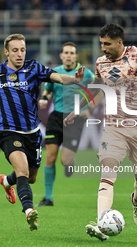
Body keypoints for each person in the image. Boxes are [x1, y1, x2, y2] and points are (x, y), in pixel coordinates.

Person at [0, 34, 85, 231]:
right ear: (6, 52)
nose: (19, 54)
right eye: (15, 50)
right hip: (8, 131)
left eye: (22, 50)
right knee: (23, 171)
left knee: (31, 178)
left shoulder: (34, 68)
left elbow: (59, 77)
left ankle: (6, 181)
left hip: (33, 132)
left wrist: (74, 79)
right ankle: (29, 211)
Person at [64, 24, 137, 241]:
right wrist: (78, 109)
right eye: (101, 43)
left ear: (120, 42)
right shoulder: (101, 63)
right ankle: (101, 223)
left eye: (107, 44)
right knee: (107, 171)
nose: (103, 48)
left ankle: (136, 201)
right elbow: (99, 87)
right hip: (114, 126)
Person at [36, 42, 95, 207]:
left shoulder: (86, 74)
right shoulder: (56, 73)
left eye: (72, 53)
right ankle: (48, 198)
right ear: (61, 56)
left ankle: (70, 163)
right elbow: (47, 89)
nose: (69, 55)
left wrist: (88, 109)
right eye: (66, 52)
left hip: (75, 120)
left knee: (65, 161)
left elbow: (99, 89)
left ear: (76, 56)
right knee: (50, 156)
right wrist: (44, 99)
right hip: (56, 117)